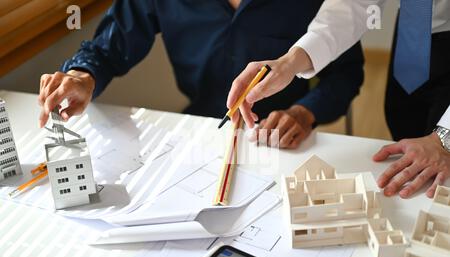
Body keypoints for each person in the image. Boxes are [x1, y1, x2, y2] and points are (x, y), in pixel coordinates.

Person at [38, 0, 364, 150]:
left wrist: (304, 113)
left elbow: (347, 74)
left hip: (287, 143)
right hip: (202, 133)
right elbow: (108, 48)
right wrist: (82, 76)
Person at [228, 0, 450, 198]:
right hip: (414, 29)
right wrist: (290, 62)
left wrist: (445, 139)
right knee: (407, 130)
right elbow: (353, 5)